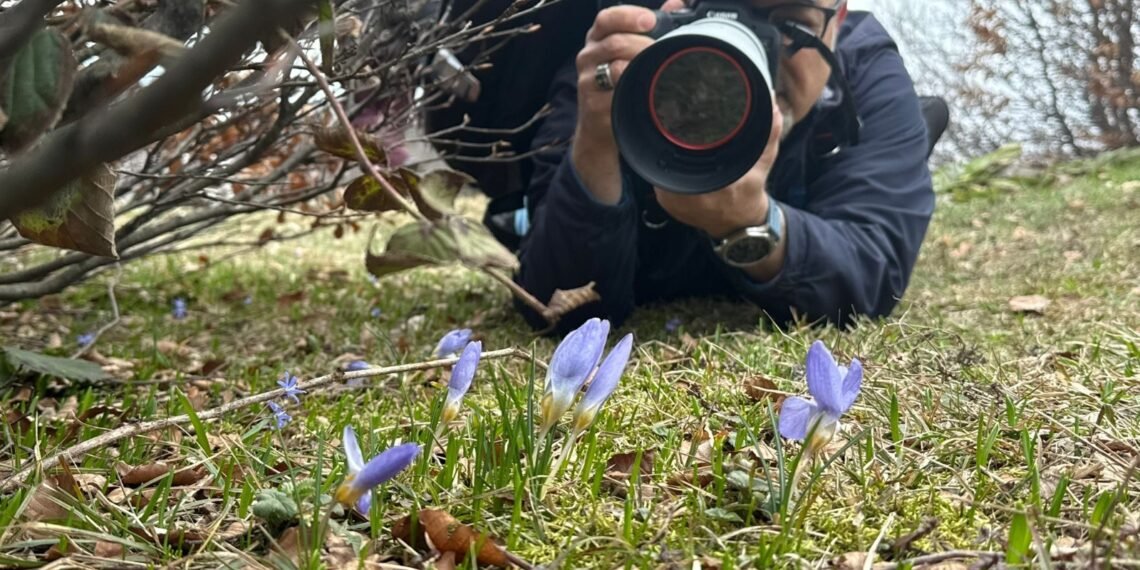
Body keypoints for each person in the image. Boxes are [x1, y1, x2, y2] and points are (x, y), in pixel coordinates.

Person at [429, 0, 944, 334]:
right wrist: (596, 147)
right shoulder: (620, 65)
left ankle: (906, 139)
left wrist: (749, 223)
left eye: (792, 25)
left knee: (896, 142)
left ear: (840, 21)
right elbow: (558, 302)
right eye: (724, 16)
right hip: (646, 259)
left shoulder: (863, 66)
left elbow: (876, 264)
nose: (754, 63)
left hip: (806, 187)